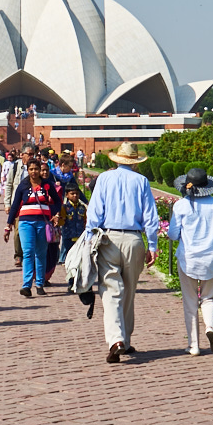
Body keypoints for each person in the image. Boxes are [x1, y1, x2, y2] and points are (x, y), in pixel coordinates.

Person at [85, 141, 159, 363]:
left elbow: (94, 212)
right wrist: (152, 245)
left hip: (108, 238)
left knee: (110, 291)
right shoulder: (141, 181)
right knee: (129, 291)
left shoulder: (104, 178)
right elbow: (150, 216)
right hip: (134, 239)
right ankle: (124, 340)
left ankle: (116, 339)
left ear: (117, 159)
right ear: (135, 162)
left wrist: (89, 238)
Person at [167, 168, 213, 356]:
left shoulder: (181, 205)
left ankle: (194, 345)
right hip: (212, 258)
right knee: (209, 298)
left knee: (190, 302)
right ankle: (210, 327)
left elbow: (173, 234)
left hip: (188, 259)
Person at [5, 158, 60, 297]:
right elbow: (15, 205)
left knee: (41, 253)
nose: (34, 172)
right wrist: (8, 225)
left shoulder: (47, 185)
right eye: (31, 169)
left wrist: (53, 212)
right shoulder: (23, 186)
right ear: (27, 170)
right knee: (28, 252)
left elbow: (58, 201)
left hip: (42, 223)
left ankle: (40, 284)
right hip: (25, 222)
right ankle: (26, 285)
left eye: (36, 169)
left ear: (40, 170)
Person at [5, 143, 37, 266]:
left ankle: (30, 254)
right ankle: (18, 255)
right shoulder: (16, 167)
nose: (31, 156)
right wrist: (7, 203)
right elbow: (9, 185)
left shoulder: (37, 167)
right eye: (29, 154)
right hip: (18, 204)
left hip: (33, 203)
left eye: (33, 154)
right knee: (18, 231)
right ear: (22, 155)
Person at [59, 184, 87, 266]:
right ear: (67, 195)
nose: (75, 195)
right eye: (72, 193)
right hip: (68, 236)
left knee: (79, 257)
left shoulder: (82, 208)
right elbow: (61, 222)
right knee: (69, 257)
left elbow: (85, 220)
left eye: (77, 193)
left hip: (80, 236)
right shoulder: (64, 207)